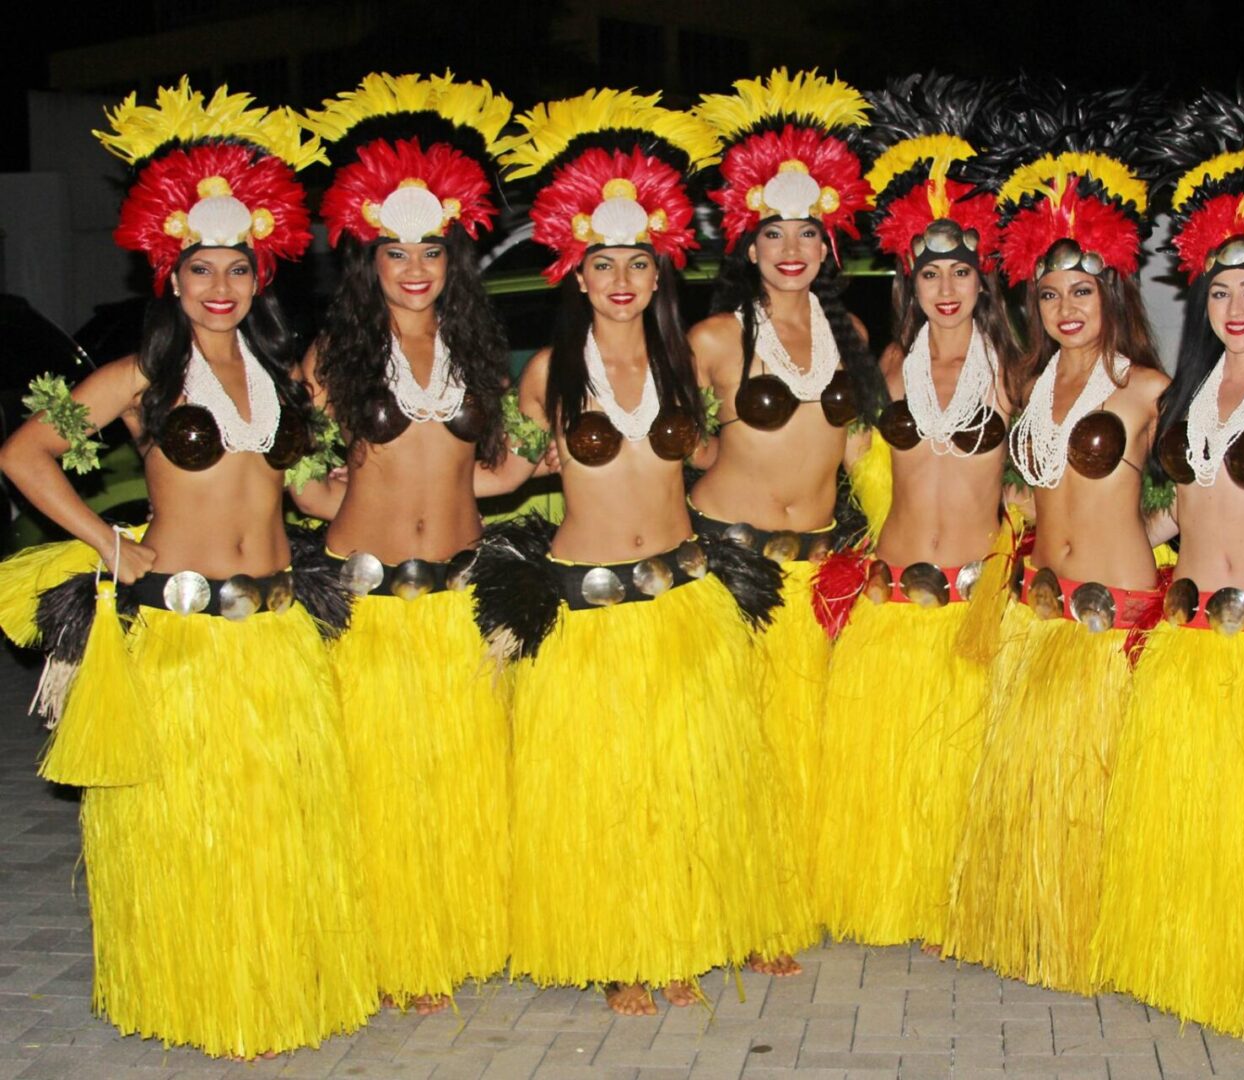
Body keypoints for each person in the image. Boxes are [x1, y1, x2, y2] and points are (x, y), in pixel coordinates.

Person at [0, 81, 375, 1058]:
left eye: (237, 268)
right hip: (181, 637)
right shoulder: (140, 377)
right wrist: (108, 540)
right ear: (170, 272)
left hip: (279, 631)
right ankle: (200, 998)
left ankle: (275, 984)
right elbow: (24, 454)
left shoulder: (281, 377)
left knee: (276, 823)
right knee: (189, 830)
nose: (220, 285)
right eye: (200, 267)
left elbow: (306, 494)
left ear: (262, 274)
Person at [485, 89, 811, 1015]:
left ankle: (684, 937)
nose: (621, 278)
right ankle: (623, 951)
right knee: (610, 791)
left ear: (658, 274)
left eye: (638, 262)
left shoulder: (680, 365)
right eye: (603, 264)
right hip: (591, 612)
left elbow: (710, 454)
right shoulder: (552, 373)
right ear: (577, 277)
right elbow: (505, 474)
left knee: (693, 781)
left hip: (686, 593)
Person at [1089, 83, 1244, 1037]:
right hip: (1192, 634)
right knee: (1199, 816)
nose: (1236, 306)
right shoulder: (1188, 393)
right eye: (1221, 291)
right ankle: (1217, 969)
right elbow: (1173, 515)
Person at [298, 72, 529, 1014]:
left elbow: (487, 472)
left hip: (462, 597)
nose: (415, 268)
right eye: (395, 252)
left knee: (462, 782)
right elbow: (299, 477)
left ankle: (459, 932)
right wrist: (329, 491)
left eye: (430, 249)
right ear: (370, 262)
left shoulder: (478, 351)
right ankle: (393, 951)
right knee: (384, 789)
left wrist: (547, 466)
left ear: (453, 257)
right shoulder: (333, 357)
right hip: (373, 604)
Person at [944, 82, 1169, 993]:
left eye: (1083, 289)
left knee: (1110, 789)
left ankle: (1112, 942)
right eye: (1047, 293)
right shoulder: (1027, 387)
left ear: (1111, 290)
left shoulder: (1150, 387)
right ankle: (1045, 927)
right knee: (1039, 786)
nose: (1065, 306)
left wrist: (1153, 531)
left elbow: (1202, 484)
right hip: (1041, 615)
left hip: (1116, 616)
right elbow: (1031, 499)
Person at [811, 73, 1017, 949]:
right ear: (911, 279)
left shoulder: (1017, 370)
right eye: (929, 272)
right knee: (887, 769)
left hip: (974, 602)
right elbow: (835, 463)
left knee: (959, 765)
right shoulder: (886, 370)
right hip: (890, 599)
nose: (945, 287)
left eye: (960, 272)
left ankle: (958, 906)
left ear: (982, 280)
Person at [688, 69, 888, 958]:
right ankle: (718, 908)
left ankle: (775, 904)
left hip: (814, 566)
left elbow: (858, 458)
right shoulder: (715, 338)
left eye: (808, 231)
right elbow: (671, 448)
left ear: (831, 240)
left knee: (793, 745)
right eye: (775, 232)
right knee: (727, 748)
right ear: (749, 242)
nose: (792, 247)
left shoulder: (849, 340)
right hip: (727, 562)